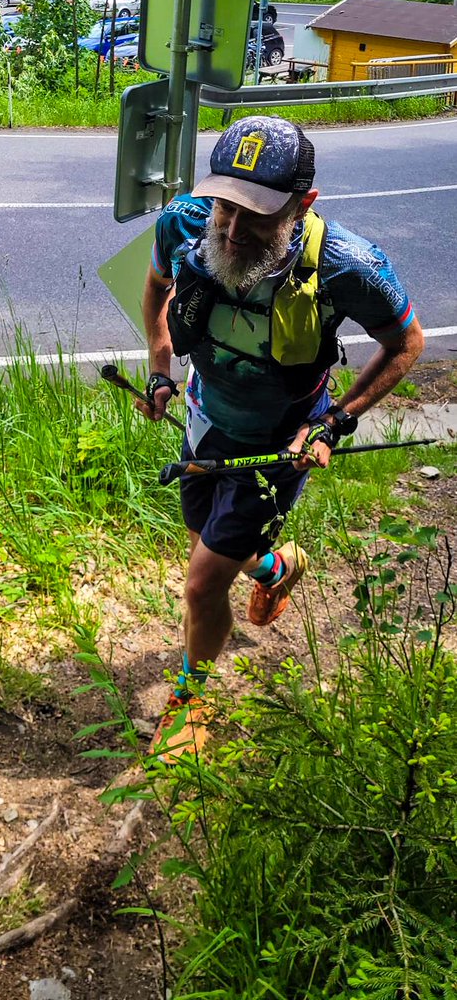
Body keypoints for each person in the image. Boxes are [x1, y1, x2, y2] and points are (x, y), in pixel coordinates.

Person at [135, 115, 424, 762]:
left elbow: (406, 343)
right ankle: (276, 565)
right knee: (205, 546)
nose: (233, 230)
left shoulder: (349, 267)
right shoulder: (183, 224)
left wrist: (333, 421)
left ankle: (190, 698)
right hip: (206, 418)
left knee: (200, 585)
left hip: (278, 444)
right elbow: (157, 286)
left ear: (302, 205)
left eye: (259, 217)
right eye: (225, 207)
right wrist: (160, 366)